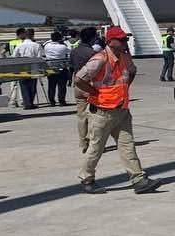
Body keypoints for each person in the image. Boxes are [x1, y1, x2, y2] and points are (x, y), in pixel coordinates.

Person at [73, 26, 161, 195]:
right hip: (102, 112)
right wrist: (94, 92)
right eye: (121, 40)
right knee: (96, 148)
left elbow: (131, 73)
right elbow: (79, 79)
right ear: (110, 42)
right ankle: (87, 179)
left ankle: (139, 179)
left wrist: (123, 89)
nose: (125, 42)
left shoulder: (125, 57)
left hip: (121, 110)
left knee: (128, 146)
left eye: (125, 39)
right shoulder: (99, 59)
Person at [71, 26, 98, 152]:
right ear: (92, 38)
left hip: (77, 84)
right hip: (89, 85)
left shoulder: (74, 51)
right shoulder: (92, 53)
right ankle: (92, 141)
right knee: (93, 115)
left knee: (81, 115)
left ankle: (83, 142)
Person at [12, 28, 42, 110]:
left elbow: (14, 57)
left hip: (23, 67)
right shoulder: (37, 45)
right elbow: (39, 58)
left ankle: (26, 103)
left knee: (24, 86)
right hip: (34, 67)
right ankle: (30, 102)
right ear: (33, 36)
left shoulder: (19, 45)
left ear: (25, 35)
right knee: (32, 86)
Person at [42, 30, 71, 106]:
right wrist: (65, 42)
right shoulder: (63, 47)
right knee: (62, 86)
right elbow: (69, 51)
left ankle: (52, 101)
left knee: (51, 85)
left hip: (50, 67)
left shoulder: (47, 46)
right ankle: (61, 101)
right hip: (61, 68)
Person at [6, 27, 27, 107]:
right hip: (21, 64)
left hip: (12, 64)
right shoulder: (23, 42)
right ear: (21, 34)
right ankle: (22, 100)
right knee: (22, 82)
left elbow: (2, 52)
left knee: (13, 83)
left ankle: (13, 100)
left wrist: (6, 60)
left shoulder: (10, 42)